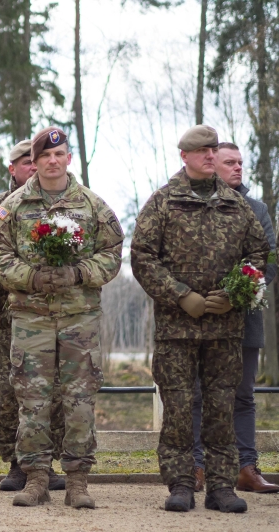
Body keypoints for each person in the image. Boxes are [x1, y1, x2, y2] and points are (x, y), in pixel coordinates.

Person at [131, 125, 269, 513]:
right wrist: (180, 295)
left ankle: (222, 487)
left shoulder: (236, 204)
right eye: (202, 151)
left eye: (213, 150)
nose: (210, 156)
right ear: (185, 157)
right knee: (177, 407)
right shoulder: (162, 202)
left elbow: (258, 255)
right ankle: (180, 483)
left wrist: (235, 294)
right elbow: (142, 256)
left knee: (222, 407)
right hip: (178, 328)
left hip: (225, 329)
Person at [0, 126, 123, 509]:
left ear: (68, 158)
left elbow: (112, 253)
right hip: (31, 317)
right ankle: (36, 479)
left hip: (79, 317)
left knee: (80, 399)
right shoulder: (13, 207)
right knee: (32, 400)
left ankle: (78, 480)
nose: (51, 161)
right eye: (43, 156)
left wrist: (78, 273)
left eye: (58, 154)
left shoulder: (93, 206)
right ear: (33, 162)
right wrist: (30, 277)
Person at [0, 139, 66, 492]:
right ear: (13, 169)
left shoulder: (64, 203)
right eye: (26, 163)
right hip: (6, 317)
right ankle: (16, 463)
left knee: (52, 393)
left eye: (37, 161)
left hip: (54, 314)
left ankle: (44, 464)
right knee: (9, 394)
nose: (34, 168)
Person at [190, 142, 279, 494]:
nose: (238, 168)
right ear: (212, 165)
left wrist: (235, 294)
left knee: (243, 397)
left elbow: (268, 261)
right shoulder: (192, 205)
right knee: (196, 395)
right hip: (198, 319)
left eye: (241, 162)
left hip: (243, 319)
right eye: (230, 162)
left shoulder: (257, 209)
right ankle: (196, 468)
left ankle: (246, 468)